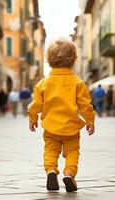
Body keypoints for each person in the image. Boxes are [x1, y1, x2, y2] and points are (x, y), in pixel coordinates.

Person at [28, 39, 95, 192]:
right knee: (72, 152)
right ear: (73, 60)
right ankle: (69, 174)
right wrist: (90, 120)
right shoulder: (77, 82)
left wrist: (33, 118)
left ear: (49, 59)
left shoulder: (43, 84)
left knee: (50, 151)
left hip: (51, 128)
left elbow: (36, 105)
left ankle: (51, 170)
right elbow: (85, 105)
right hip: (71, 127)